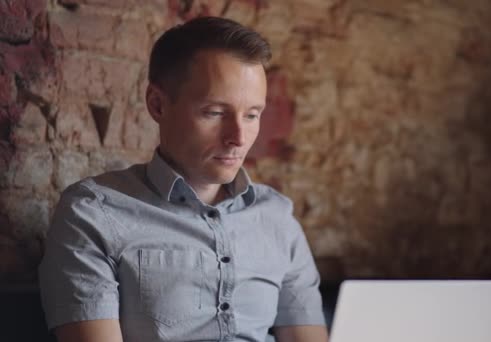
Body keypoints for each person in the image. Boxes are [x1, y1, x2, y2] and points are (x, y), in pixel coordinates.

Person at [38, 16, 328, 342]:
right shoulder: (93, 214)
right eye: (215, 113)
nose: (239, 137)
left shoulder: (278, 217)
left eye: (252, 115)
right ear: (157, 105)